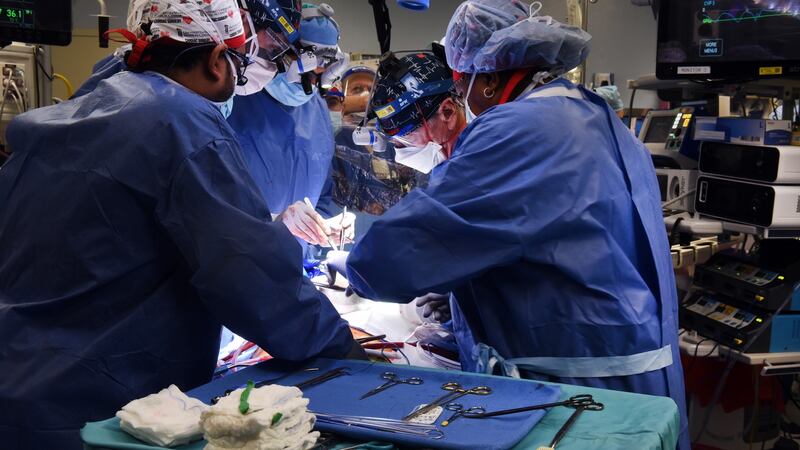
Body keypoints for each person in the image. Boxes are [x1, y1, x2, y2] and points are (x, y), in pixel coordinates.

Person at [0, 2, 361, 448]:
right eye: (240, 66)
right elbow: (249, 275)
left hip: (16, 389)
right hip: (98, 411)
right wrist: (343, 352)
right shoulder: (182, 122)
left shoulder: (72, 115)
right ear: (215, 61)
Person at [333, 1, 689, 448]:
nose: (462, 93)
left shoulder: (520, 128)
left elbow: (396, 254)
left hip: (580, 383)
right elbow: (552, 238)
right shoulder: (591, 113)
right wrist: (463, 289)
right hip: (631, 371)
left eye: (462, 82)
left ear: (491, 78)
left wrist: (348, 264)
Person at [229, 2, 353, 249]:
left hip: (293, 265)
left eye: (321, 71)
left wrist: (328, 225)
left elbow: (323, 192)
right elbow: (208, 201)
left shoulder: (316, 108)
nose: (313, 79)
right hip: (236, 258)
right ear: (278, 48)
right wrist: (273, 223)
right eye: (307, 69)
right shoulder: (232, 102)